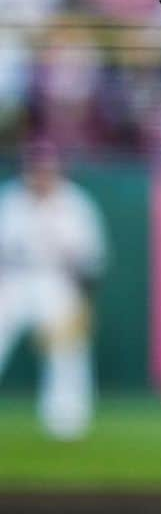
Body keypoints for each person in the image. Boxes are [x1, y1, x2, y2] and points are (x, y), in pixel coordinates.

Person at [0, 140, 107, 440]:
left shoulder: (75, 204)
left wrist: (85, 304)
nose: (40, 174)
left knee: (67, 348)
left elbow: (90, 260)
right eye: (35, 168)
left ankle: (66, 419)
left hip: (57, 281)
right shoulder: (11, 200)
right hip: (13, 281)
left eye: (45, 168)